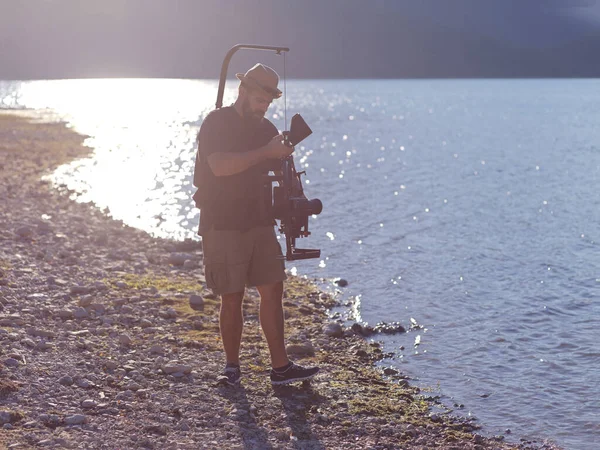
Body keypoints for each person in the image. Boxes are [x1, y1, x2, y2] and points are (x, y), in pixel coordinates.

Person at [193, 63, 320, 386]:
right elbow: (220, 166)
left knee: (272, 288)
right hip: (222, 221)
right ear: (243, 91)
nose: (264, 107)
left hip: (259, 220)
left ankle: (281, 368)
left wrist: (286, 166)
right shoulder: (216, 122)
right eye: (259, 100)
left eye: (268, 102)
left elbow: (281, 169)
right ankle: (232, 368)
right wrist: (265, 151)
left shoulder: (266, 128)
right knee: (231, 295)